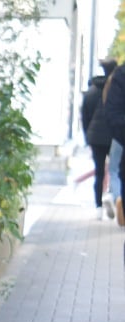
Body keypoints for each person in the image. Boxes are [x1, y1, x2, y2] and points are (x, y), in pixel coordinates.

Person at [81, 58, 117, 219]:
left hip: (95, 137)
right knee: (116, 169)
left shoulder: (91, 92)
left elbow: (85, 118)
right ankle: (113, 195)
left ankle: (98, 207)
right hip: (114, 136)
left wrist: (88, 137)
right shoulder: (116, 90)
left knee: (99, 172)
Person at [105, 60, 125, 226]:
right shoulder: (121, 76)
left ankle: (117, 196)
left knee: (112, 169)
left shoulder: (118, 77)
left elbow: (111, 114)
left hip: (118, 138)